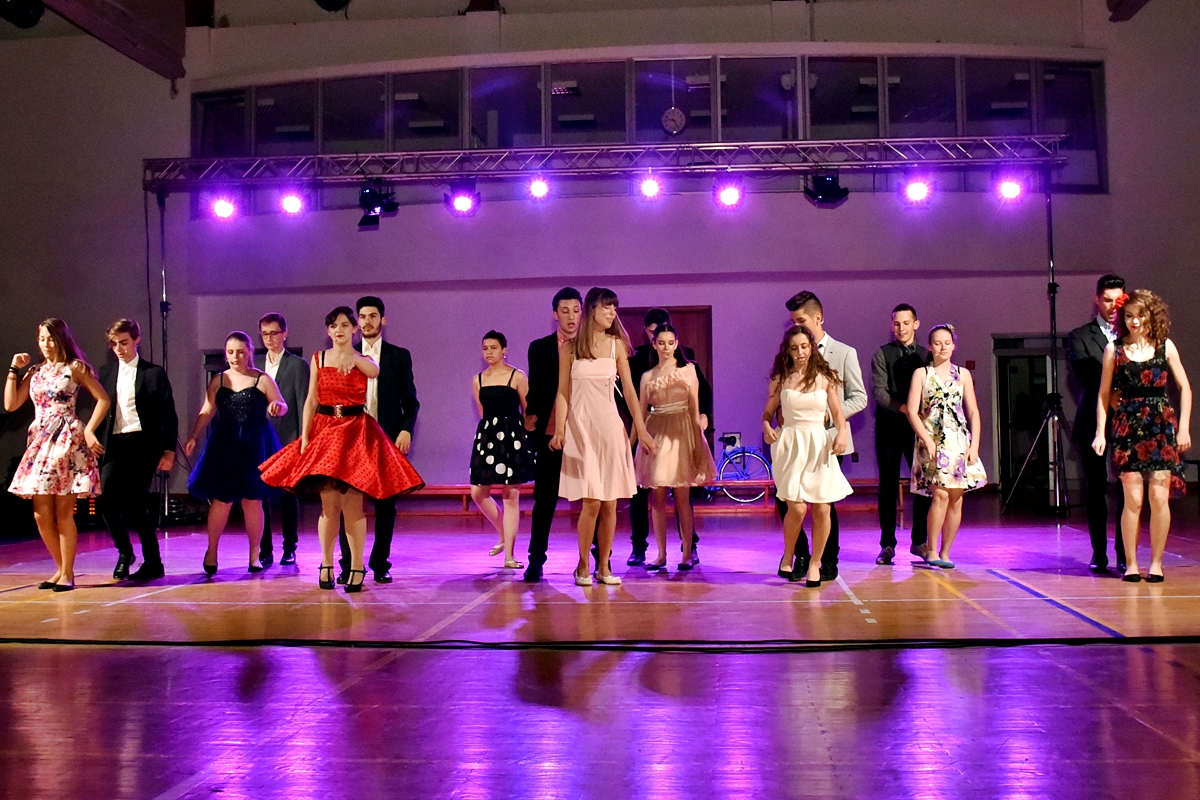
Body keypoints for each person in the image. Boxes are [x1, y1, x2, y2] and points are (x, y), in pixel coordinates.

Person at [261, 307, 424, 593]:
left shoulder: (364, 359)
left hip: (355, 433)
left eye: (345, 325)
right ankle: (326, 564)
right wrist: (306, 437)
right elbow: (311, 401)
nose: (339, 330)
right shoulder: (318, 358)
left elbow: (375, 371)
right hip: (326, 432)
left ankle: (357, 567)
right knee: (329, 506)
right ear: (328, 331)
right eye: (334, 326)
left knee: (353, 506)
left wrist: (354, 358)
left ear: (354, 329)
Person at [551, 287, 656, 587]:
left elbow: (631, 392)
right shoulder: (570, 349)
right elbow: (563, 392)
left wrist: (641, 428)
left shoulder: (616, 345)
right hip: (581, 429)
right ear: (592, 309)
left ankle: (604, 566)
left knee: (610, 503)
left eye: (614, 308)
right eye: (607, 307)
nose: (612, 312)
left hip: (610, 428)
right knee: (591, 502)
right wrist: (560, 429)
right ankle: (583, 565)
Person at [1093, 290, 1191, 583]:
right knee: (1133, 500)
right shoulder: (1114, 350)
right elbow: (1103, 394)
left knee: (1159, 498)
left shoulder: (1165, 346)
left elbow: (1185, 388)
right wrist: (1100, 432)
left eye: (1140, 315)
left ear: (1151, 315)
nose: (1134, 321)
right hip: (1128, 427)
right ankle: (1132, 563)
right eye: (1129, 316)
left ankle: (1157, 563)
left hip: (1160, 428)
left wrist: (1184, 427)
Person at [6, 318, 110, 592]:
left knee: (63, 513)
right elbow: (11, 404)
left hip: (66, 438)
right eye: (42, 338)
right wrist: (14, 369)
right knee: (41, 514)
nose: (46, 344)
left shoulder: (74, 367)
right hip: (40, 440)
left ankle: (67, 573)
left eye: (51, 338)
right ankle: (60, 568)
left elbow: (103, 399)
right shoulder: (36, 372)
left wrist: (90, 430)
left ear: (61, 339)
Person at [184, 331, 286, 576]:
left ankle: (254, 555)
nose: (235, 356)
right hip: (226, 443)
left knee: (253, 500)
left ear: (249, 351)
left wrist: (277, 407)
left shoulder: (262, 379)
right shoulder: (218, 380)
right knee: (222, 499)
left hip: (255, 444)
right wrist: (194, 436)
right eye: (230, 352)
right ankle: (211, 551)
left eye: (240, 351)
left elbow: (281, 404)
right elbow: (207, 409)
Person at [781, 291, 867, 580]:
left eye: (800, 320)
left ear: (818, 318)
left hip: (828, 442)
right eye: (793, 321)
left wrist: (830, 414)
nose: (796, 325)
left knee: (824, 504)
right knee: (792, 503)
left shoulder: (844, 353)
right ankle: (799, 556)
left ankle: (826, 561)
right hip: (796, 440)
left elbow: (859, 397)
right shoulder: (791, 353)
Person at [337, 296, 420, 585]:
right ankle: (348, 564)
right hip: (351, 440)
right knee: (348, 504)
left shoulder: (398, 356)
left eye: (373, 316)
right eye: (362, 316)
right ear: (357, 322)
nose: (367, 321)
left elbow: (411, 402)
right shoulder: (345, 353)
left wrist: (406, 430)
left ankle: (380, 563)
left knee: (385, 505)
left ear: (382, 320)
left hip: (385, 439)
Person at [762, 325, 851, 587]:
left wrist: (842, 432)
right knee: (798, 508)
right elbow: (768, 412)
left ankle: (815, 563)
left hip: (818, 444)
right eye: (794, 348)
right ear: (788, 351)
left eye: (804, 346)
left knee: (823, 508)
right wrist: (766, 426)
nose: (800, 352)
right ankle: (789, 553)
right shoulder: (781, 378)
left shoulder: (825, 377)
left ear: (811, 347)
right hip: (790, 443)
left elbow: (837, 413)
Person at [625, 308, 713, 566]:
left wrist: (698, 440)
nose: (666, 347)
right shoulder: (647, 376)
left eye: (670, 342)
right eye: (661, 342)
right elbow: (640, 415)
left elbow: (695, 408)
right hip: (656, 434)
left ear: (676, 343)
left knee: (682, 497)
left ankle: (687, 553)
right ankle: (661, 554)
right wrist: (630, 446)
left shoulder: (689, 370)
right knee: (657, 497)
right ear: (653, 343)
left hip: (682, 433)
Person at [97, 319, 178, 583]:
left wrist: (169, 450)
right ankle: (125, 551)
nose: (119, 349)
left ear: (136, 340)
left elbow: (169, 415)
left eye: (124, 342)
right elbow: (101, 409)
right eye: (114, 344)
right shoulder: (106, 372)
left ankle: (153, 562)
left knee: (134, 502)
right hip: (115, 443)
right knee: (105, 498)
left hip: (144, 444)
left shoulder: (153, 373)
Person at [906, 324, 986, 569]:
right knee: (939, 494)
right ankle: (931, 549)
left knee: (956, 497)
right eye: (937, 343)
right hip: (931, 440)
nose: (942, 347)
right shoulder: (922, 373)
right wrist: (926, 439)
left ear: (954, 346)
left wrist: (975, 444)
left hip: (958, 441)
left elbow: (973, 411)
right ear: (930, 346)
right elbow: (912, 411)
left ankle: (946, 551)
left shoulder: (963, 374)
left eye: (947, 343)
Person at [1067, 275, 1128, 574]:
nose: (1113, 306)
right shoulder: (1079, 336)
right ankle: (1099, 552)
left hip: (1129, 420)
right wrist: (1112, 393)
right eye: (1107, 300)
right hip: (1093, 419)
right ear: (1097, 300)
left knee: (1129, 489)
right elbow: (1086, 375)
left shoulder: (1134, 333)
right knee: (1096, 487)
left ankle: (1125, 553)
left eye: (1118, 300)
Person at [521, 287, 582, 583]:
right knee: (545, 499)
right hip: (550, 433)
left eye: (576, 310)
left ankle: (598, 558)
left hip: (585, 431)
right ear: (555, 314)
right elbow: (536, 389)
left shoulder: (591, 345)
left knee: (591, 498)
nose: (571, 316)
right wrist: (531, 417)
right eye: (565, 311)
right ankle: (536, 560)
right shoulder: (540, 347)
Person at [871, 304, 932, 566]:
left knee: (922, 485)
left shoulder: (926, 355)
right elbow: (879, 392)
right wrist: (906, 409)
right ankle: (887, 545)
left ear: (916, 324)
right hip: (889, 427)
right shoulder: (882, 354)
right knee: (888, 485)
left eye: (906, 323)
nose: (901, 328)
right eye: (897, 323)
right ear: (891, 325)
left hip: (917, 429)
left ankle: (919, 541)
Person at [470, 330, 535, 569]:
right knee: (478, 492)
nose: (489, 352)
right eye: (485, 348)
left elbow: (528, 411)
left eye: (493, 348)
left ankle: (510, 555)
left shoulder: (517, 376)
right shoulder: (478, 379)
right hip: (488, 438)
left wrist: (528, 440)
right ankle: (502, 533)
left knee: (511, 495)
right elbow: (482, 412)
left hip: (512, 437)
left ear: (504, 350)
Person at [256, 312, 309, 567]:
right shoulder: (255, 364)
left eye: (274, 333)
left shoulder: (297, 365)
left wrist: (303, 440)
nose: (269, 338)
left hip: (288, 439)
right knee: (261, 496)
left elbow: (303, 403)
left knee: (288, 495)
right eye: (265, 334)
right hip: (260, 439)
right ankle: (265, 549)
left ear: (284, 334)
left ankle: (290, 547)